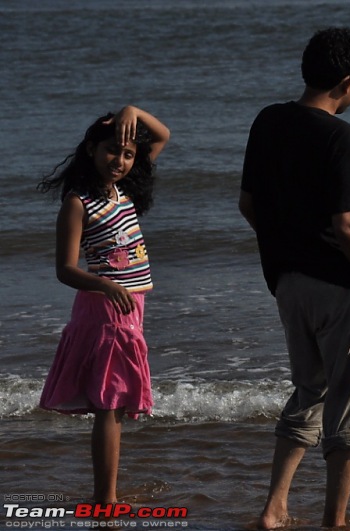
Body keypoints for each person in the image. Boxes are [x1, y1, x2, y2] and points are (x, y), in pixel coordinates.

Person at [239, 27, 350, 529]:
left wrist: (287, 244)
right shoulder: (339, 136)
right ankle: (335, 520)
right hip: (338, 287)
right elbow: (347, 226)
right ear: (349, 80)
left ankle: (274, 506)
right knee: (349, 406)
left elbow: (248, 205)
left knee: (309, 390)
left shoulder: (268, 120)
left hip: (286, 282)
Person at [37, 106, 170, 503]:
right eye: (112, 151)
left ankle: (105, 494)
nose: (121, 161)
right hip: (105, 311)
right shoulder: (78, 203)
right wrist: (104, 286)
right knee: (109, 405)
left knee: (112, 404)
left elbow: (161, 135)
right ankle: (105, 498)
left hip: (129, 308)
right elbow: (64, 269)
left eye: (128, 154)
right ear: (92, 149)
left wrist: (132, 111)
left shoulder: (123, 190)